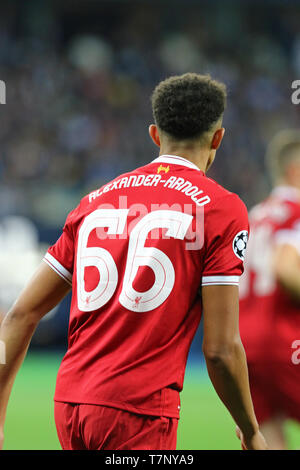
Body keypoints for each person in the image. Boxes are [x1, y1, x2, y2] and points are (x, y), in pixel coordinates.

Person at [0, 73, 267, 451]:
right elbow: (220, 350)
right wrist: (251, 429)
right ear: (218, 138)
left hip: (70, 406)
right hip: (137, 410)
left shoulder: (94, 202)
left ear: (155, 135)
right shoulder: (221, 209)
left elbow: (19, 316)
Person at [239, 129, 300, 450]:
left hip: (245, 347)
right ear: (295, 170)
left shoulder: (254, 216)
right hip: (285, 341)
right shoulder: (297, 211)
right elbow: (285, 268)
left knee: (269, 438)